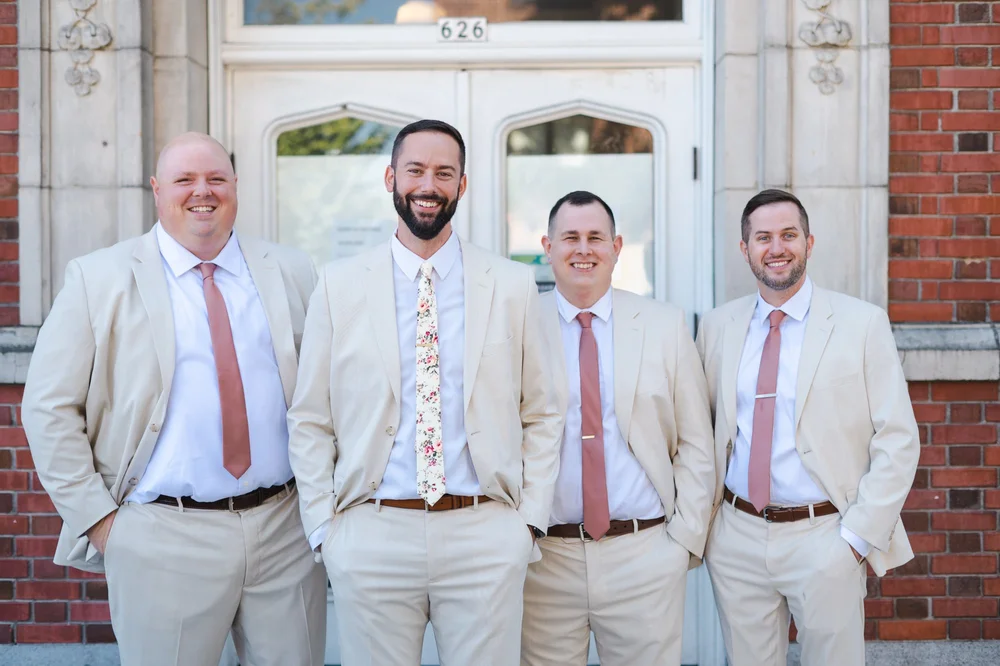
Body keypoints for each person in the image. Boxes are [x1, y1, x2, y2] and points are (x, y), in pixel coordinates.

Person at [22, 132, 327, 666]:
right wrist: (101, 521)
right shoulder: (99, 278)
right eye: (184, 179)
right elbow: (48, 408)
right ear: (157, 190)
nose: (201, 191)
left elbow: (326, 392)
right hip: (163, 534)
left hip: (284, 529)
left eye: (215, 178)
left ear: (235, 187)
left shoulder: (292, 270)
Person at [286, 119, 562, 666]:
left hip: (484, 532)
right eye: (415, 170)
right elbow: (311, 417)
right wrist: (325, 529)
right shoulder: (338, 284)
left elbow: (543, 411)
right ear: (391, 177)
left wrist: (526, 523)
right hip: (373, 532)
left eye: (443, 173)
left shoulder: (510, 285)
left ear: (462, 185)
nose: (427, 184)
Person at [696, 188, 920, 666]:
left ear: (809, 243)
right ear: (745, 249)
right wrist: (711, 529)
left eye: (788, 235)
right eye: (763, 237)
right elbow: (703, 430)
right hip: (736, 534)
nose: (776, 248)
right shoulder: (717, 326)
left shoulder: (862, 323)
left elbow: (898, 439)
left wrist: (856, 539)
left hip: (825, 534)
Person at [520, 191, 715, 666]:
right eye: (570, 237)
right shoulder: (519, 324)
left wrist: (682, 541)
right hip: (544, 558)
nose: (582, 249)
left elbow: (695, 441)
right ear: (548, 246)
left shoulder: (663, 325)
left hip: (644, 554)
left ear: (617, 246)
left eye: (595, 238)